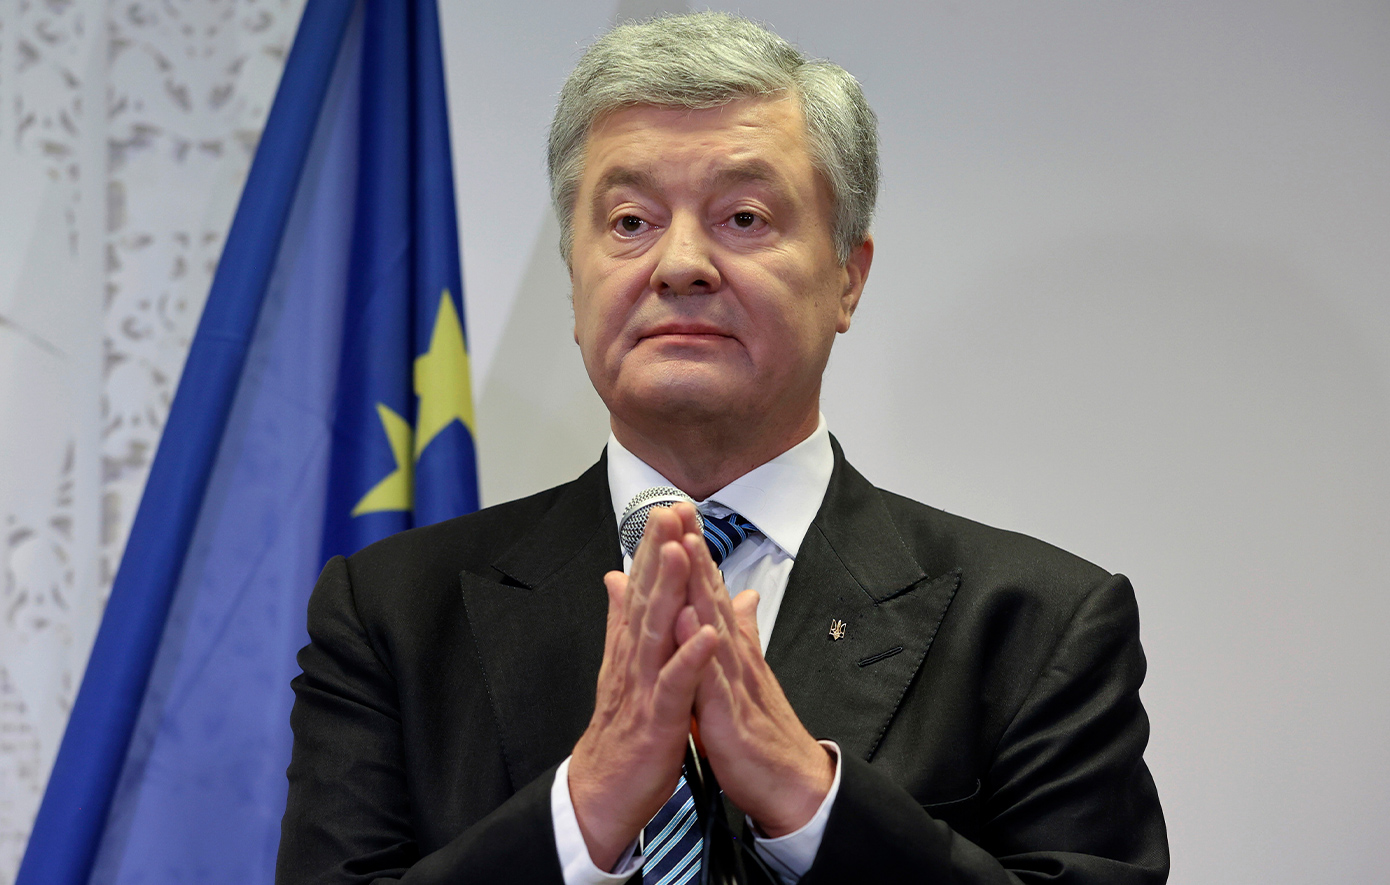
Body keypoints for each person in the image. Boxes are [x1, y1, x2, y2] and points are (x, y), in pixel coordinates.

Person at [277, 12, 1168, 885]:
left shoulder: (1038, 624)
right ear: (574, 280)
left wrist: (811, 801)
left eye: (743, 217)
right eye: (630, 221)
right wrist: (583, 814)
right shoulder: (393, 615)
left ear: (848, 277)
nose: (680, 265)